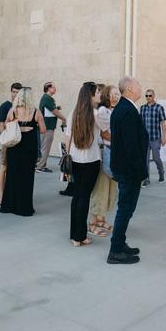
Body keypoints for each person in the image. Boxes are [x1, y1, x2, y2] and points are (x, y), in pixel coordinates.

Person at [108, 76, 147, 265]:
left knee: (127, 209)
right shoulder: (127, 111)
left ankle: (120, 243)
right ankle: (115, 250)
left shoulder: (124, 108)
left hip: (124, 167)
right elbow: (131, 146)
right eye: (138, 84)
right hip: (129, 170)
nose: (140, 87)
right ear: (130, 89)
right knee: (125, 209)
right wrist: (141, 171)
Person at [65, 82, 102, 247]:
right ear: (91, 95)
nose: (100, 95)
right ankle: (81, 236)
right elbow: (107, 134)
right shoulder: (96, 114)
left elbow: (68, 138)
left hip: (74, 159)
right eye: (98, 93)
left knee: (77, 196)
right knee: (84, 197)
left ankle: (74, 235)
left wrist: (67, 156)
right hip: (91, 161)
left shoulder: (73, 112)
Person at [1, 87, 45, 217]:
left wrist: (17, 125)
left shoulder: (12, 111)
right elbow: (43, 130)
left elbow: (5, 125)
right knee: (27, 177)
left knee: (12, 175)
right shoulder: (36, 112)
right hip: (29, 148)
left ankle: (9, 206)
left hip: (14, 146)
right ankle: (24, 208)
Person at [89, 83, 119, 238]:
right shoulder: (102, 111)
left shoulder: (116, 110)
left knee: (111, 190)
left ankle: (101, 220)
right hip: (106, 152)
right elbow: (105, 134)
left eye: (118, 94)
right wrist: (122, 142)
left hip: (116, 153)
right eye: (113, 93)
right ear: (106, 95)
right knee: (101, 189)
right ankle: (92, 223)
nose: (116, 96)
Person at [0, 82, 22, 206]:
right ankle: (1, 195)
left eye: (17, 92)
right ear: (10, 92)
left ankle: (12, 194)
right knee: (4, 167)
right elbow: (1, 124)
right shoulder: (5, 106)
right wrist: (4, 139)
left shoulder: (22, 107)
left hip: (19, 143)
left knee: (15, 169)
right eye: (13, 92)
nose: (15, 94)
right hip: (7, 142)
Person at [36, 82, 66, 173]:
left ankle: (41, 165)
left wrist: (56, 107)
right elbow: (54, 111)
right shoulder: (48, 98)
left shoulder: (46, 98)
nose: (55, 88)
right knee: (45, 147)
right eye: (53, 87)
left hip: (46, 126)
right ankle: (40, 167)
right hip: (47, 127)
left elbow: (49, 109)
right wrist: (64, 118)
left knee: (44, 146)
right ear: (48, 88)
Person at [139, 88, 166, 186]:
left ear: (154, 96)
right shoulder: (142, 108)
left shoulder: (159, 108)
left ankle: (161, 173)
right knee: (145, 160)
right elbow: (140, 124)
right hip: (144, 139)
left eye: (150, 95)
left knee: (156, 158)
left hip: (155, 138)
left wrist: (164, 137)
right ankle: (146, 180)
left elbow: (163, 123)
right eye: (146, 96)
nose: (148, 97)